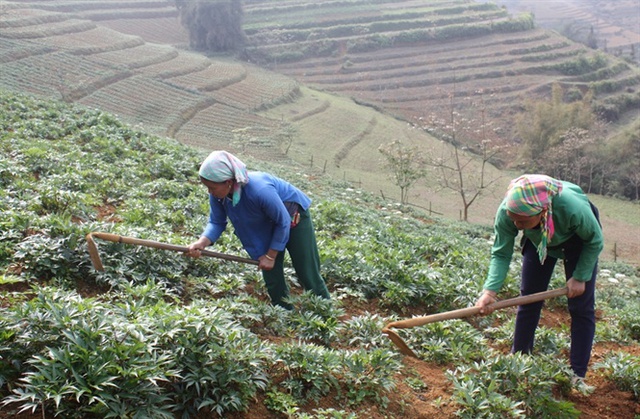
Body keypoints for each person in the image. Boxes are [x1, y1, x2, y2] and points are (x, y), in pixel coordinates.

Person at [475, 174, 603, 392]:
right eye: (514, 220)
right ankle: (520, 359)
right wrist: (490, 290)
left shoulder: (572, 209)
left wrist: (580, 276)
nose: (517, 225)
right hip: (539, 240)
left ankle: (577, 375)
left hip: (577, 239)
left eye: (522, 222)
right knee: (529, 297)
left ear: (542, 211)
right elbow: (501, 253)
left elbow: (595, 240)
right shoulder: (510, 211)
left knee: (581, 307)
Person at [186, 150, 330, 309]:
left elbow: (283, 222)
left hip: (293, 218)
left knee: (305, 268)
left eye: (212, 187)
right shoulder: (218, 195)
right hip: (264, 220)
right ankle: (282, 312)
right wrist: (202, 242)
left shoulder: (259, 189)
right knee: (270, 272)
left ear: (228, 182)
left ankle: (324, 309)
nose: (209, 192)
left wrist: (271, 255)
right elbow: (216, 222)